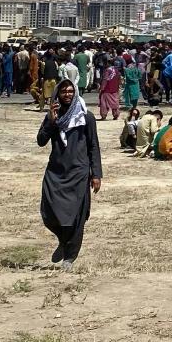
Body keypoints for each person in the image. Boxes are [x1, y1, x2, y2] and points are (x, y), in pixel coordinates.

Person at [37, 79, 102, 271]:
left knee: (76, 216)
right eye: (63, 91)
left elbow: (93, 146)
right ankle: (62, 240)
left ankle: (70, 256)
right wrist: (51, 120)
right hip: (56, 171)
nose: (67, 94)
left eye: (70, 91)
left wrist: (96, 174)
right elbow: (41, 141)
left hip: (79, 172)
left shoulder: (86, 117)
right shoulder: (53, 116)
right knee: (48, 212)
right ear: (58, 94)